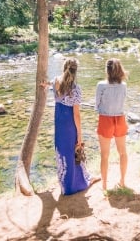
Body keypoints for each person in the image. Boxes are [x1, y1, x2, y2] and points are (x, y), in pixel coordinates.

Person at [50, 57, 98, 195]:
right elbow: (77, 115)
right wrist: (80, 136)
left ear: (63, 68)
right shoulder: (75, 89)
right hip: (69, 123)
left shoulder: (55, 82)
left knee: (62, 150)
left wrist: (45, 84)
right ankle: (78, 184)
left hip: (59, 122)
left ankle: (65, 185)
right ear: (75, 71)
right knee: (74, 151)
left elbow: (51, 83)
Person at [95, 58, 128, 192]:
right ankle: (122, 181)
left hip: (105, 120)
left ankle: (104, 186)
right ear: (120, 70)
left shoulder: (101, 85)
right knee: (123, 153)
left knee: (104, 155)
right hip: (120, 119)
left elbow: (97, 104)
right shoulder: (124, 85)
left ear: (107, 70)